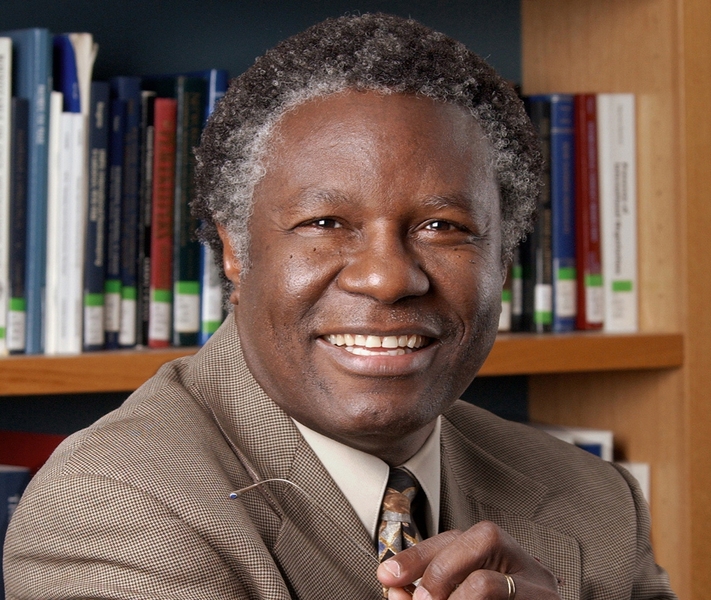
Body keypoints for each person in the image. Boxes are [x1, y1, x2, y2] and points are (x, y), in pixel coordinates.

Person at [4, 13, 676, 600]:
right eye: (326, 222)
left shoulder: (593, 497)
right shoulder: (111, 510)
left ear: (502, 259)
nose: (387, 279)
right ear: (235, 250)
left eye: (443, 227)